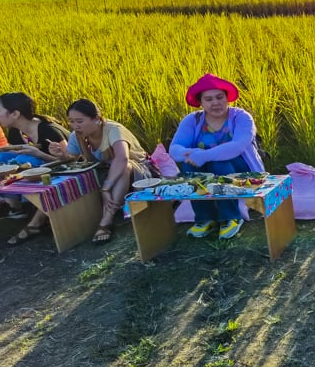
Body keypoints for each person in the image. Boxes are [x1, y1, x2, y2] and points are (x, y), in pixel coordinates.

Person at [168, 74, 264, 241]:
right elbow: (175, 149)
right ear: (201, 103)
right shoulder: (192, 120)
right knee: (189, 167)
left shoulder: (241, 117)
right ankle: (205, 218)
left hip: (239, 169)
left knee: (220, 164)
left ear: (227, 98)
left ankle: (231, 217)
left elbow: (237, 146)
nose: (215, 103)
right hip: (206, 169)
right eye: (209, 99)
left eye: (220, 97)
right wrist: (193, 156)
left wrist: (204, 156)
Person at [48, 99, 155, 244]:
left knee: (125, 166)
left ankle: (106, 221)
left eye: (79, 121)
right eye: (71, 121)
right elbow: (72, 158)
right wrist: (60, 154)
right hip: (105, 172)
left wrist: (106, 188)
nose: (75, 126)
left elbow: (122, 158)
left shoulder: (113, 129)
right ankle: (83, 217)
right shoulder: (76, 135)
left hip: (139, 173)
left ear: (97, 119)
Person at [0, 92, 71, 234]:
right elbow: (10, 154)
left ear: (15, 114)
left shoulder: (49, 130)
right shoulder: (15, 131)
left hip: (62, 169)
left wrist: (39, 154)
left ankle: (30, 204)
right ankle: (15, 206)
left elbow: (70, 159)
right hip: (38, 169)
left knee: (24, 160)